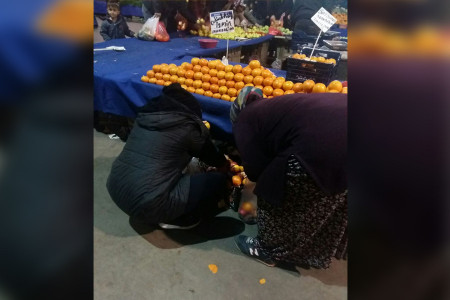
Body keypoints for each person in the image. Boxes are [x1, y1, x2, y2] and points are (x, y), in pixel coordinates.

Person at [230, 87, 347, 269]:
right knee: (330, 200)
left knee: (273, 189)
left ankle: (267, 250)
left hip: (324, 146)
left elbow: (254, 170)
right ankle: (315, 250)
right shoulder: (276, 106)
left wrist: (254, 196)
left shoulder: (245, 120)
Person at [107, 83, 231, 229]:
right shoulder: (187, 126)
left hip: (116, 188)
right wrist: (226, 168)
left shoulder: (145, 118)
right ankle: (179, 219)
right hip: (149, 203)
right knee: (218, 180)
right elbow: (213, 157)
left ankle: (158, 209)